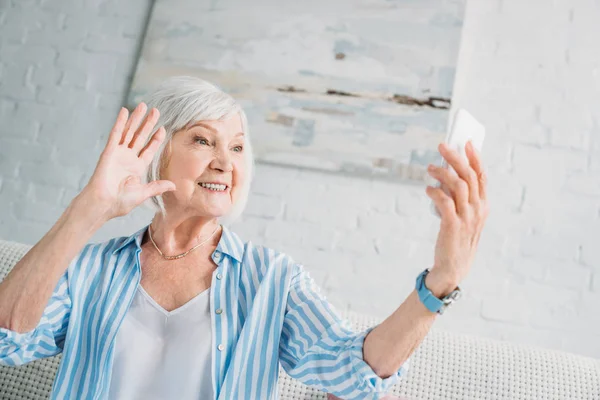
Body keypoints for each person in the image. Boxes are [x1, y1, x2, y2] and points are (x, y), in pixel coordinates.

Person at [0, 76, 489, 400]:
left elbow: (354, 371)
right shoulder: (91, 269)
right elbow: (7, 341)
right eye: (202, 140)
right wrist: (89, 210)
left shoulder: (272, 279)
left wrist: (440, 282)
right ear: (156, 152)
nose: (225, 162)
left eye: (236, 147)